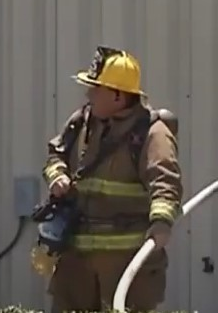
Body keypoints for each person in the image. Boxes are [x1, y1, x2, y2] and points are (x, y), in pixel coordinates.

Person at [42, 45, 183, 312]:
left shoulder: (152, 134)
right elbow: (55, 154)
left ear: (118, 96)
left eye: (96, 89)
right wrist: (57, 175)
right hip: (76, 261)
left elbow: (165, 182)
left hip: (125, 262)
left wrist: (162, 222)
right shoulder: (80, 122)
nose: (89, 94)